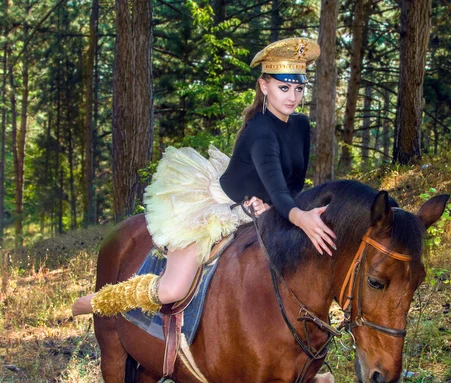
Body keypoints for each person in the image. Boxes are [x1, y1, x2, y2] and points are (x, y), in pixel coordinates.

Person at [71, 37, 336, 322]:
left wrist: (275, 208)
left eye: (298, 88)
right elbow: (276, 184)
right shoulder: (260, 130)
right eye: (283, 87)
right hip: (218, 206)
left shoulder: (300, 125)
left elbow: (292, 184)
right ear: (264, 86)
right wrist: (297, 215)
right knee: (173, 289)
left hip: (268, 206)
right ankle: (93, 302)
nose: (292, 97)